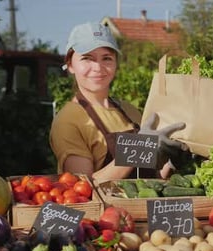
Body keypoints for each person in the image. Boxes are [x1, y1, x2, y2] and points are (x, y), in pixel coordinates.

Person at [49, 22, 186, 183]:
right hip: (107, 209)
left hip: (141, 206)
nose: (98, 67)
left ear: (116, 64)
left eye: (106, 58)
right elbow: (83, 186)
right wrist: (138, 148)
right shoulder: (69, 120)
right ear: (71, 65)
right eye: (87, 58)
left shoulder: (129, 110)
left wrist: (171, 163)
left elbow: (149, 179)